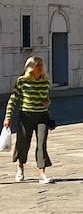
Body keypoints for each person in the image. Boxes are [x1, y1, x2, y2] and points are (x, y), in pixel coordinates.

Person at [4, 55, 53, 183]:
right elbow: (13, 99)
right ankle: (20, 167)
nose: (41, 68)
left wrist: (48, 103)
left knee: (42, 143)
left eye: (42, 65)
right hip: (26, 116)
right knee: (23, 143)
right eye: (38, 65)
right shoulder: (22, 81)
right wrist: (8, 117)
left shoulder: (46, 81)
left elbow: (46, 98)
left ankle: (42, 172)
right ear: (31, 68)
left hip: (42, 116)